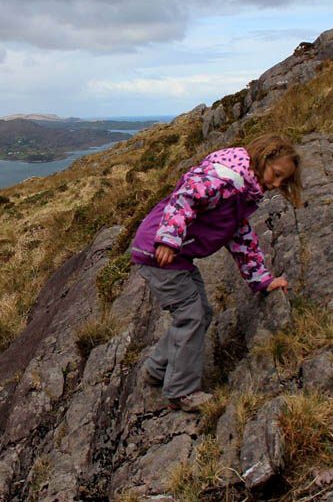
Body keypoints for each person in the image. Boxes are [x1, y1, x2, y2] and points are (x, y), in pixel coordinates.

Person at [129, 134, 302, 410]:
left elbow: (241, 238)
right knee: (191, 315)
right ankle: (181, 391)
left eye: (284, 181)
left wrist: (262, 281)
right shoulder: (226, 179)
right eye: (277, 174)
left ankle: (156, 369)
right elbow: (185, 196)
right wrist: (169, 239)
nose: (277, 184)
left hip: (177, 256)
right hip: (159, 251)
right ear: (264, 158)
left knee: (200, 313)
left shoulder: (242, 193)